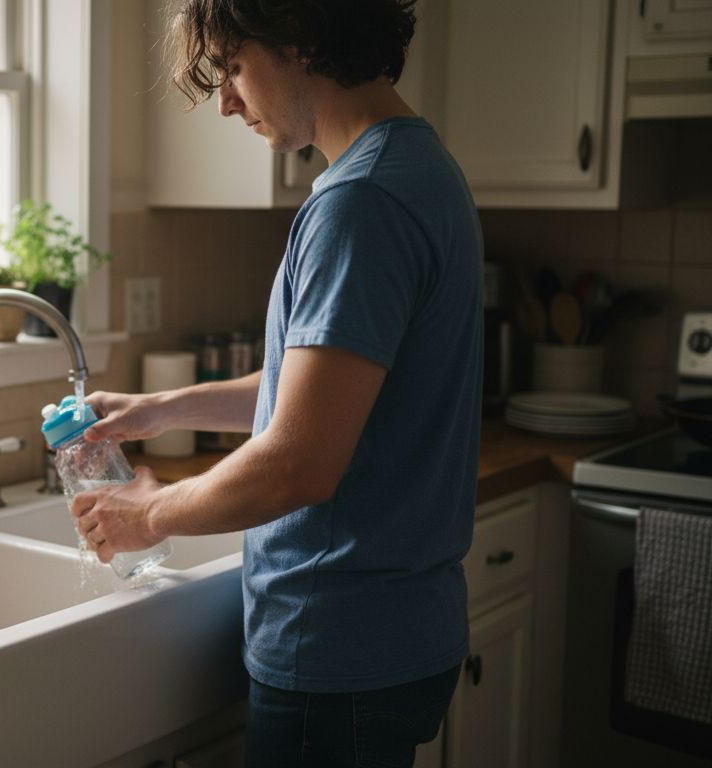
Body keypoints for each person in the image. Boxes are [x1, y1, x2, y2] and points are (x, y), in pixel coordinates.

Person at [70, 1, 484, 766]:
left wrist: (147, 515)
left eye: (231, 65)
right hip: (399, 630)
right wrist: (162, 408)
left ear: (301, 38)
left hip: (337, 646)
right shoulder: (416, 166)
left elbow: (298, 460)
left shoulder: (359, 203)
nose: (225, 100)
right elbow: (324, 385)